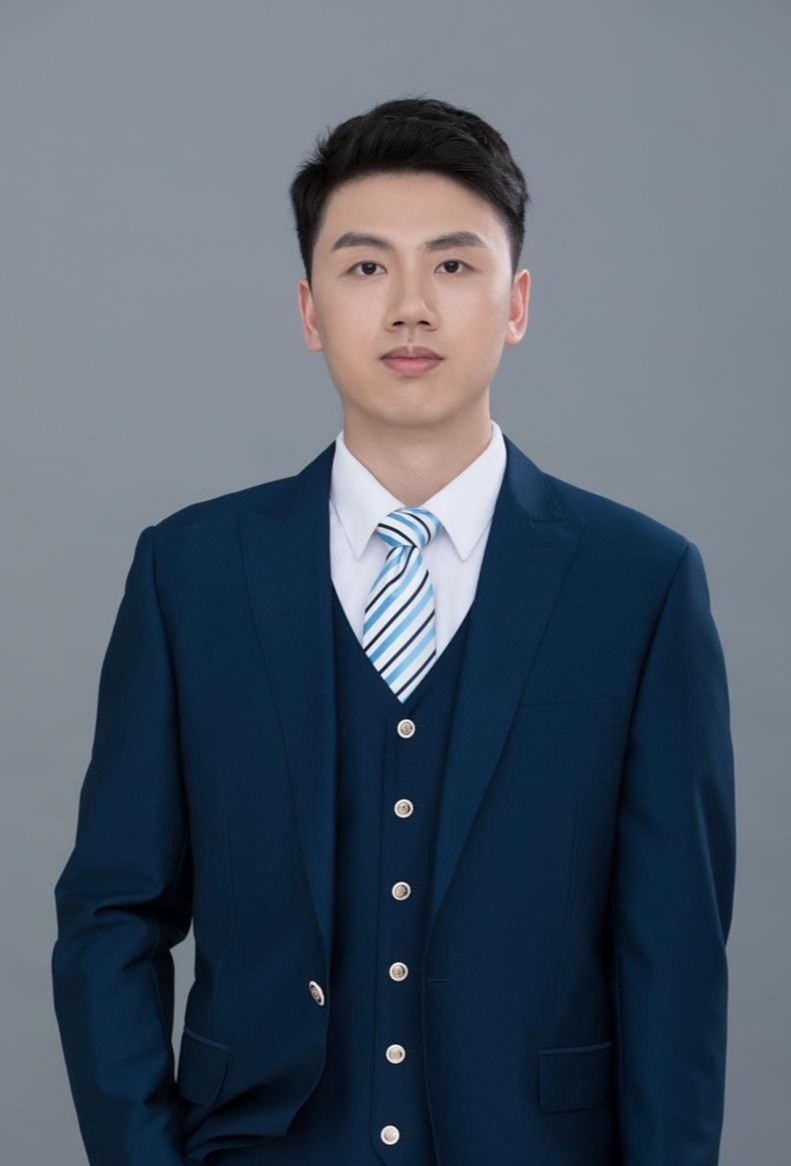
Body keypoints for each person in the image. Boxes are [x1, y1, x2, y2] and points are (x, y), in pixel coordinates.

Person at [51, 95, 736, 1166]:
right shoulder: (191, 574)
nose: (410, 307)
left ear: (515, 304)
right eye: (365, 266)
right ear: (309, 309)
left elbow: (675, 960)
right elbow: (111, 914)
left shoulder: (639, 584)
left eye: (453, 266)